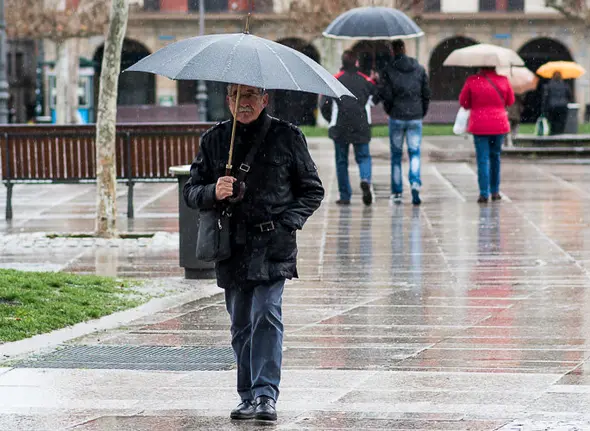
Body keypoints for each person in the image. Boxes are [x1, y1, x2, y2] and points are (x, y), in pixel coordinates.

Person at [183, 84, 324, 422]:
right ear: (227, 100)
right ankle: (246, 396)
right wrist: (212, 191)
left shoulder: (287, 137)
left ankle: (265, 396)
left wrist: (287, 222)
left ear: (264, 100)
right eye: (235, 96)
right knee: (241, 324)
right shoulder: (215, 140)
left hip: (273, 244)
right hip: (231, 245)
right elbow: (191, 191)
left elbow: (312, 190)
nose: (242, 103)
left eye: (249, 96)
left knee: (266, 314)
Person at [320, 50, 377, 206]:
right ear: (356, 63)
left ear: (342, 63)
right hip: (361, 125)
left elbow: (323, 105)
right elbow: (377, 98)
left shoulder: (334, 80)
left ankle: (345, 195)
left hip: (340, 127)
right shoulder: (366, 80)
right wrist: (375, 81)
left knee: (341, 161)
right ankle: (365, 179)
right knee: (364, 157)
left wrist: (330, 119)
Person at [378, 39, 431, 205]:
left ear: (393, 51)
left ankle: (397, 193)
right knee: (414, 153)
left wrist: (390, 110)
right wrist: (421, 112)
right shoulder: (419, 69)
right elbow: (426, 93)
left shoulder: (388, 70)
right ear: (405, 49)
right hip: (415, 116)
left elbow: (386, 95)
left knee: (396, 156)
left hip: (397, 116)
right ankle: (415, 183)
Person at [459, 67, 514, 203]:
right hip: (498, 124)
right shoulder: (503, 80)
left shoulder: (472, 81)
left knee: (482, 159)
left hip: (479, 124)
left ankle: (484, 193)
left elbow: (464, 103)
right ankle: (495, 191)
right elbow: (510, 101)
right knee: (495, 157)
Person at [541, 71, 573, 135]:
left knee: (553, 122)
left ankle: (553, 134)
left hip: (552, 106)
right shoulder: (565, 85)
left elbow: (545, 97)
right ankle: (560, 134)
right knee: (561, 122)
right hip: (563, 106)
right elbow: (569, 95)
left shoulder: (549, 85)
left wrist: (544, 107)